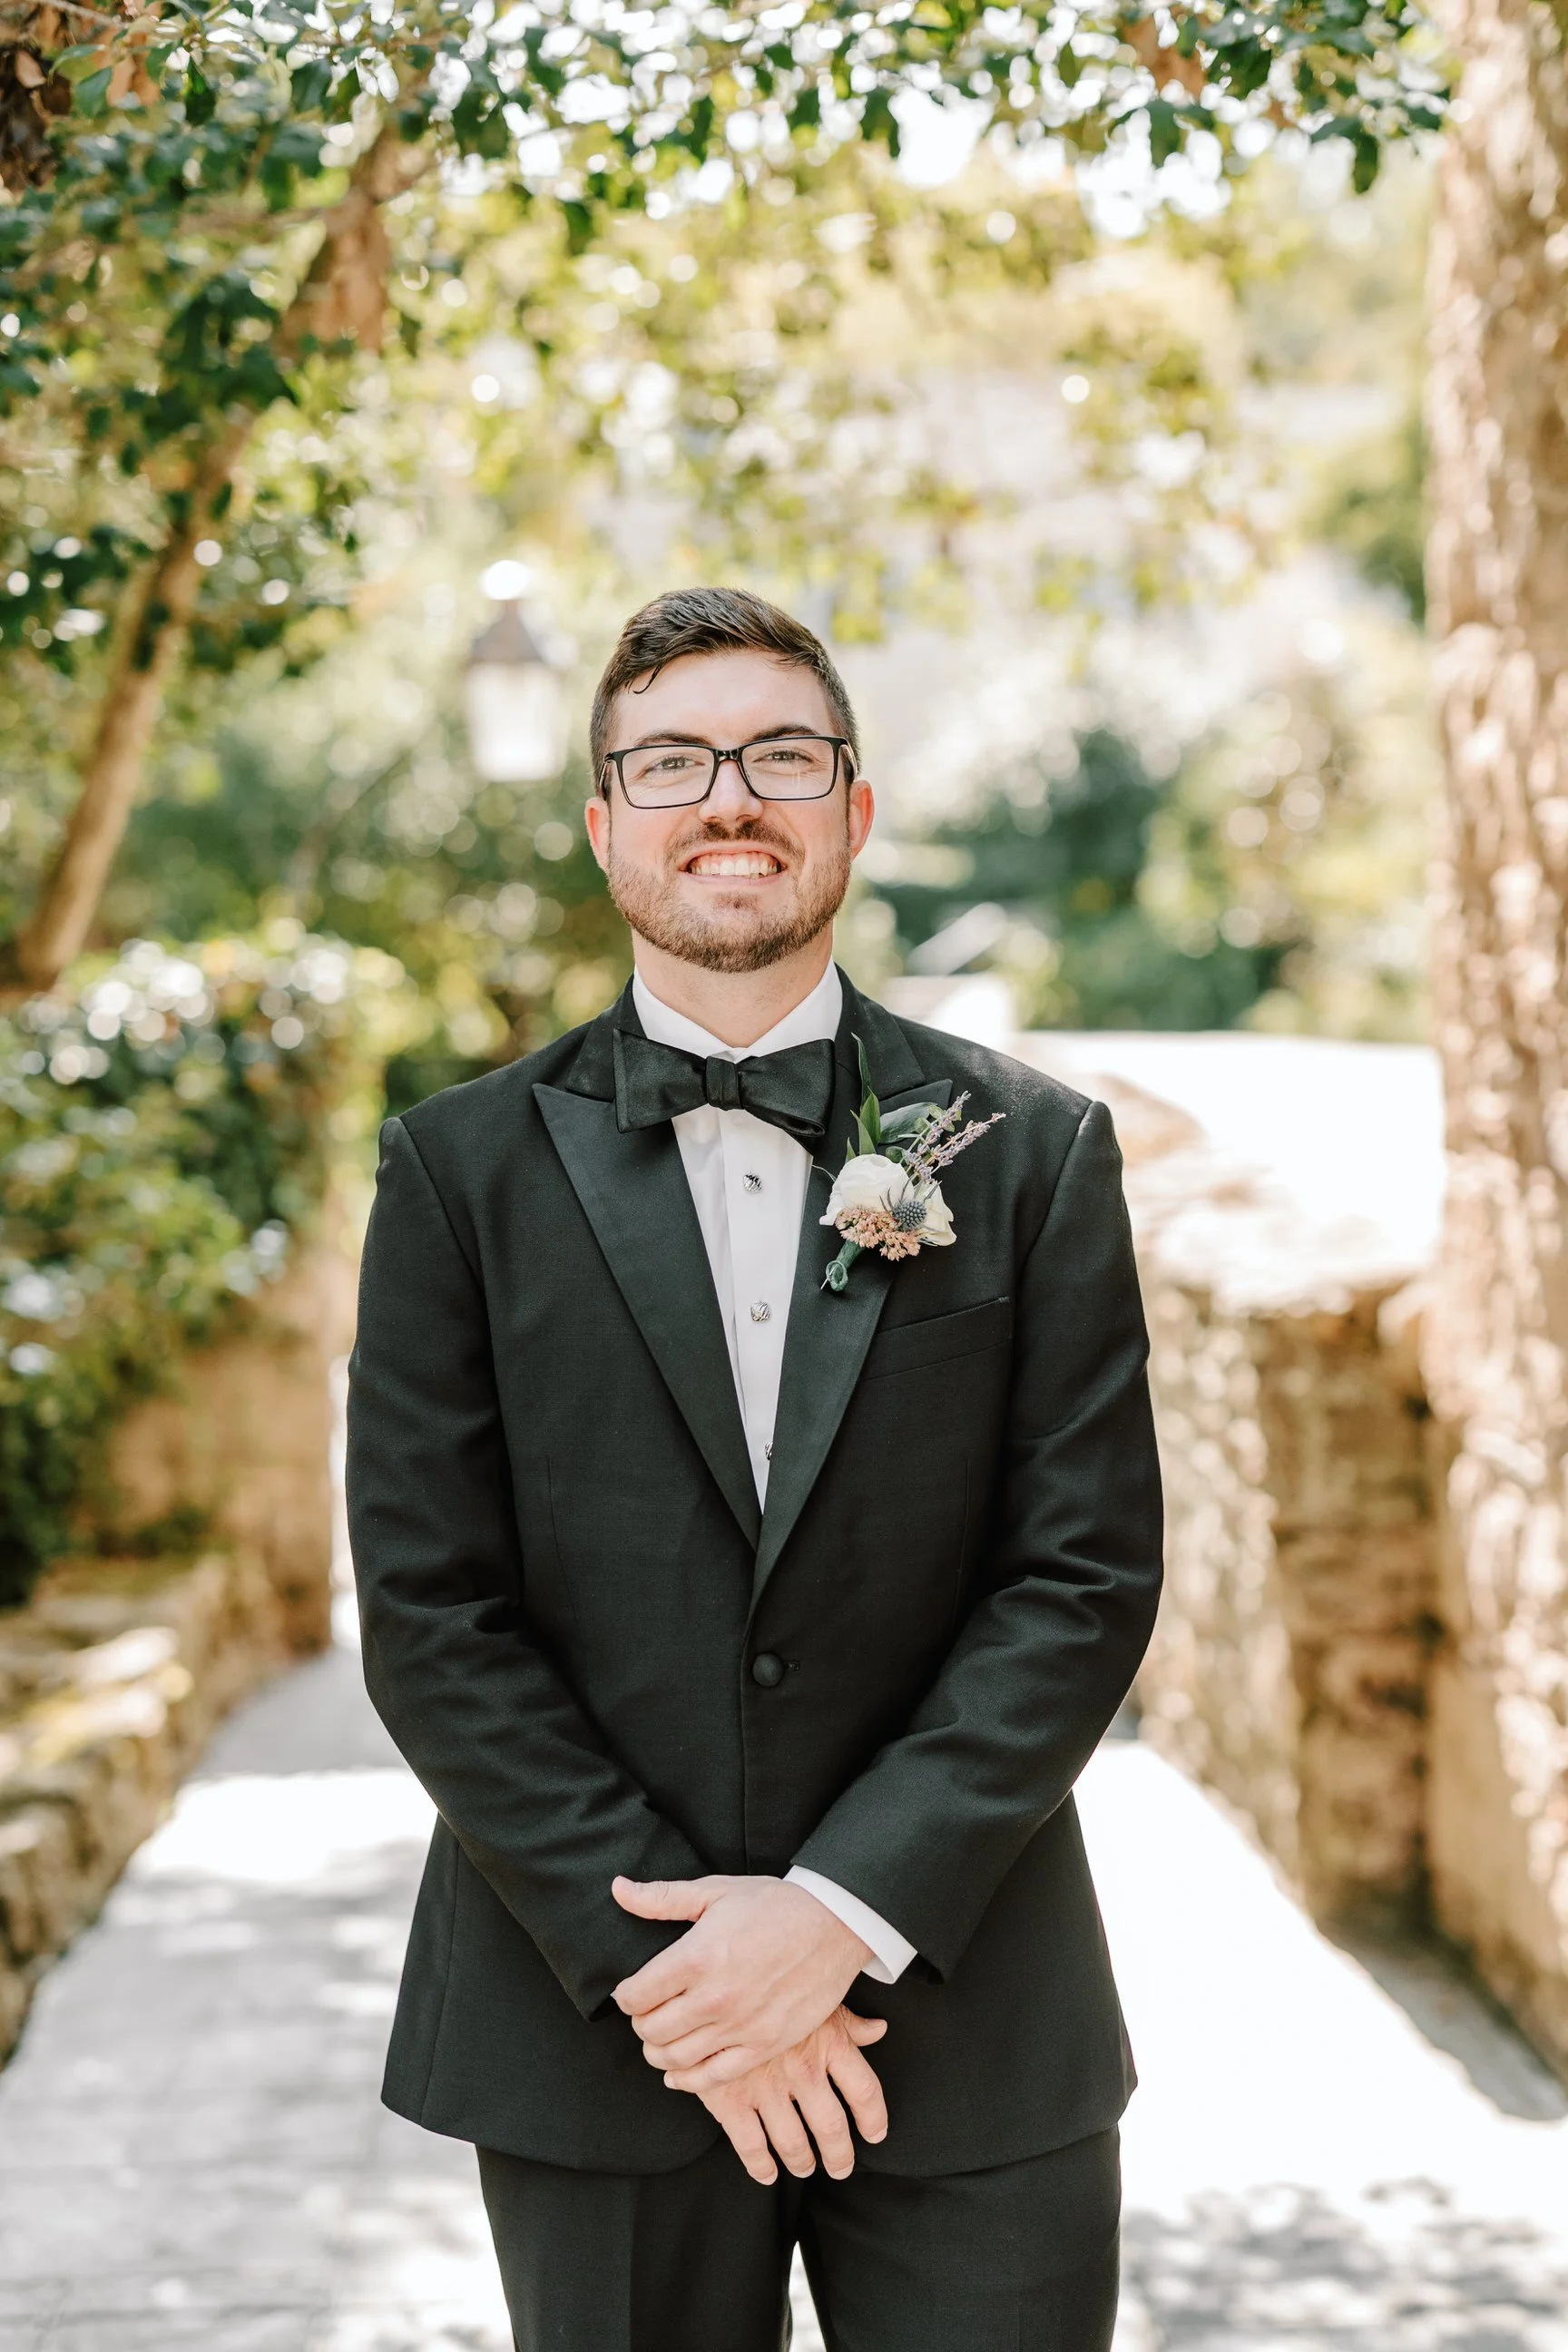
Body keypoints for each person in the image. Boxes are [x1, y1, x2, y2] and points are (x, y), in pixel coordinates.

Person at [347, 584, 1163, 2351]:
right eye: (671, 763)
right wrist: (688, 1971)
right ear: (604, 827)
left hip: (974, 2017)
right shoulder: (454, 1177)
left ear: (853, 810)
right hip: (600, 2023)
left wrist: (841, 1914)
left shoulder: (1032, 1155)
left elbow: (1083, 1576)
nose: (728, 798)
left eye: (781, 757)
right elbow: (430, 1614)